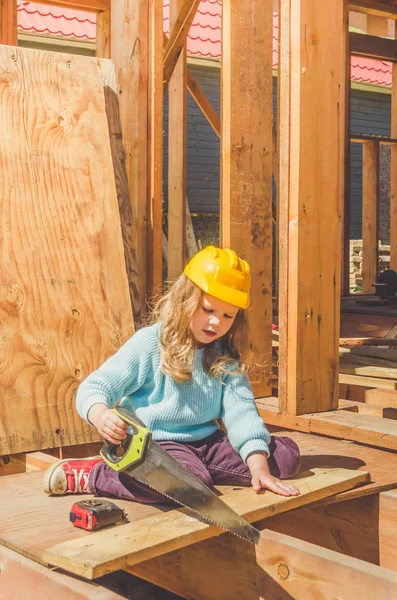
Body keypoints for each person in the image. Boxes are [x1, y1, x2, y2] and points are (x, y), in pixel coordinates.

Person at [44, 247, 301, 501]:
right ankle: (95, 475)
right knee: (189, 482)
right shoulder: (150, 343)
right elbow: (94, 388)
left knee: (285, 456)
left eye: (228, 315)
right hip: (157, 445)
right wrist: (100, 415)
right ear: (184, 300)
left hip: (209, 442)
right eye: (208, 310)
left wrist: (258, 467)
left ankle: (193, 474)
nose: (216, 322)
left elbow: (241, 413)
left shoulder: (226, 355)